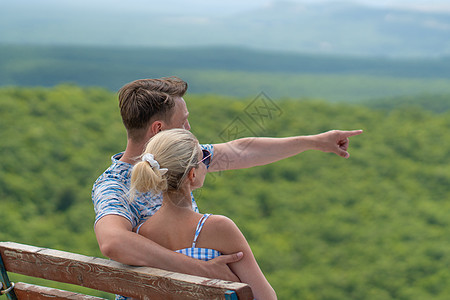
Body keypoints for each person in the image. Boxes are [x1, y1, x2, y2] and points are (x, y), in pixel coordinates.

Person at [92, 76, 362, 281]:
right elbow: (114, 242)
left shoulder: (173, 159)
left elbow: (239, 151)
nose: (189, 128)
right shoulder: (113, 185)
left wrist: (314, 142)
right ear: (158, 129)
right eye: (184, 121)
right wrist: (200, 271)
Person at [130, 128, 277, 299]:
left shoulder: (139, 235)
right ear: (192, 174)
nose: (207, 163)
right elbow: (266, 296)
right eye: (204, 159)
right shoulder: (218, 228)